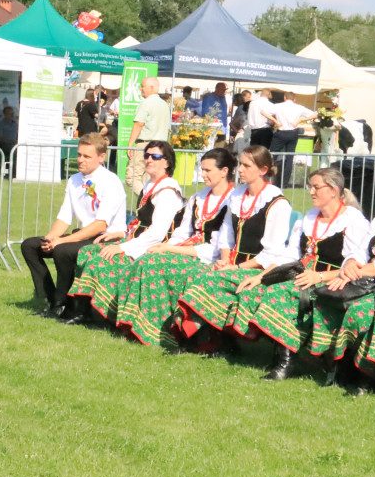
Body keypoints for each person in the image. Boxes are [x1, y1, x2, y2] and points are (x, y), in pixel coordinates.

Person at [230, 167, 370, 380]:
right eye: (309, 187)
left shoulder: (353, 220)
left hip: (335, 283)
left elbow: (355, 266)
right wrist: (262, 276)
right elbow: (289, 256)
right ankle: (256, 348)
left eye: (316, 187)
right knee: (258, 289)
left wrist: (320, 277)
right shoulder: (310, 217)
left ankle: (285, 362)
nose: (311, 192)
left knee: (282, 295)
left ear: (333, 190)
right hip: (303, 277)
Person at [175, 146, 292, 354]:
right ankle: (201, 339)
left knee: (207, 281)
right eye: (241, 165)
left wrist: (235, 267)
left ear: (263, 170)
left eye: (247, 166)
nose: (240, 170)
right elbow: (226, 234)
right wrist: (224, 261)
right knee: (194, 274)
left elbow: (271, 253)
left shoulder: (277, 203)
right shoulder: (237, 195)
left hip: (258, 269)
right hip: (234, 264)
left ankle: (205, 341)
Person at [116, 148, 236, 347]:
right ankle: (144, 326)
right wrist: (165, 246)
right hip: (188, 248)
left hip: (212, 256)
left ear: (224, 171)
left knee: (167, 268)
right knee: (148, 259)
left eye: (207, 170)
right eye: (201, 169)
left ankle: (179, 333)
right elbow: (182, 232)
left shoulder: (233, 200)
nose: (202, 174)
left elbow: (218, 247)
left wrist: (170, 250)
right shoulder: (199, 197)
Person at [68, 140, 185, 323]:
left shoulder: (168, 190)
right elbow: (140, 223)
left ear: (167, 162)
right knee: (87, 252)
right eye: (146, 156)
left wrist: (123, 247)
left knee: (101, 261)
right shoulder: (149, 186)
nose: (148, 160)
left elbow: (157, 233)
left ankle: (103, 316)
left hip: (152, 246)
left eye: (155, 157)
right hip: (135, 240)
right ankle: (80, 309)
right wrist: (120, 234)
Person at [20, 132, 127, 320]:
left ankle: (66, 305)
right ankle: (49, 299)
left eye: (87, 156)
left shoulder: (111, 182)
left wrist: (61, 241)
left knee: (63, 250)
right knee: (30, 245)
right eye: (79, 155)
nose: (80, 160)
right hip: (81, 235)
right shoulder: (74, 180)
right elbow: (64, 216)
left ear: (102, 157)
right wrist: (52, 237)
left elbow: (100, 224)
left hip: (105, 238)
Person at [325, 218, 375, 393]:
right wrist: (350, 265)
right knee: (354, 309)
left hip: (371, 278)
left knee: (368, 313)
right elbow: (361, 252)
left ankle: (368, 376)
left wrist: (358, 272)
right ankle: (345, 366)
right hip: (371, 283)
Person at [125, 77, 170, 194]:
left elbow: (139, 124)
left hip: (145, 144)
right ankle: (147, 207)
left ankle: (146, 201)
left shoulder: (146, 103)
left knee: (132, 177)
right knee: (148, 179)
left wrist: (130, 145)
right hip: (161, 146)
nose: (140, 88)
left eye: (142, 86)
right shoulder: (165, 105)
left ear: (152, 87)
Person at [270, 91, 317, 189]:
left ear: (284, 97)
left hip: (281, 132)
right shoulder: (299, 107)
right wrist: (301, 120)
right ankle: (284, 183)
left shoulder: (278, 106)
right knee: (289, 158)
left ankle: (268, 178)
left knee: (272, 156)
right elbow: (315, 114)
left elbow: (263, 111)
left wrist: (275, 121)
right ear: (294, 99)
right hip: (292, 133)